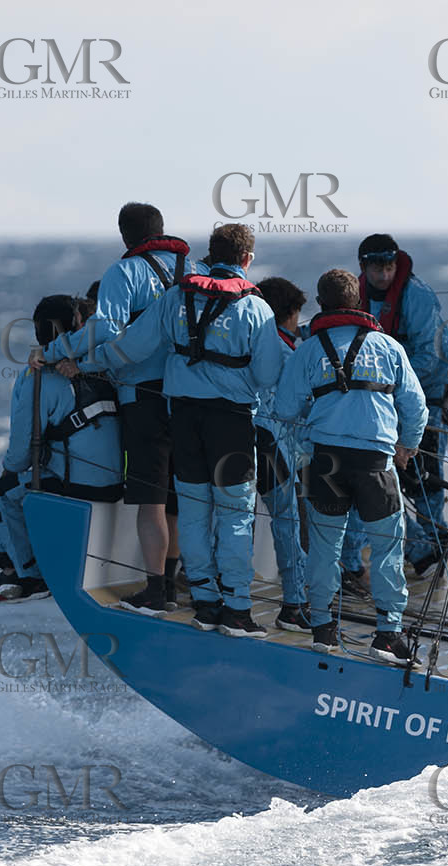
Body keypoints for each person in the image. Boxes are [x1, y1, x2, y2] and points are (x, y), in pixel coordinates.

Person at [86, 223, 286, 636]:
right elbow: (268, 375)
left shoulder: (178, 295)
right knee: (233, 515)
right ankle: (237, 612)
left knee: (194, 510)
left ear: (210, 255)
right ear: (247, 260)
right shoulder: (256, 308)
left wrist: (83, 361)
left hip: (183, 418)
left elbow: (131, 348)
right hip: (231, 423)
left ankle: (205, 604)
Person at [274, 269, 428, 666]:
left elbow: (286, 409)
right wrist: (407, 447)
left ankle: (323, 627)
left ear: (321, 305)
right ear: (359, 303)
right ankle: (388, 634)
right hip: (377, 462)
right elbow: (416, 407)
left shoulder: (307, 350)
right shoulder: (388, 346)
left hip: (325, 461)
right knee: (387, 548)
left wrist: (313, 427)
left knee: (324, 548)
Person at [58, 203, 205, 613]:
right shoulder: (195, 271)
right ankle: (176, 584)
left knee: (152, 500)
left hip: (143, 396)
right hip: (193, 398)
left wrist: (66, 357)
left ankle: (155, 591)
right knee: (179, 498)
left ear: (125, 237)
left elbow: (106, 329)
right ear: (162, 229)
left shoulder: (123, 273)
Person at [0, 295, 123, 602]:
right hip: (118, 486)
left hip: (76, 486)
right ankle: (17, 572)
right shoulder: (99, 366)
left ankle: (25, 575)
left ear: (37, 333)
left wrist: (11, 470)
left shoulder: (38, 378)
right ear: (80, 326)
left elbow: (18, 454)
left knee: (2, 492)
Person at [355, 234, 448, 577]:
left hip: (429, 390)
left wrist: (388, 389)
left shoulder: (418, 297)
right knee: (382, 469)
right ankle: (421, 548)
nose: (383, 275)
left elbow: (429, 355)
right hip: (384, 391)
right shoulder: (357, 295)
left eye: (389, 267)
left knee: (425, 474)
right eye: (376, 268)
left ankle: (434, 545)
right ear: (363, 267)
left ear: (397, 266)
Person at [251, 276, 310, 630]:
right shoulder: (290, 354)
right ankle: (293, 605)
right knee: (287, 523)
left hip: (237, 437)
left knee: (230, 518)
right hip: (274, 445)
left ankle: (226, 600)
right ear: (288, 315)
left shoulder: (247, 342)